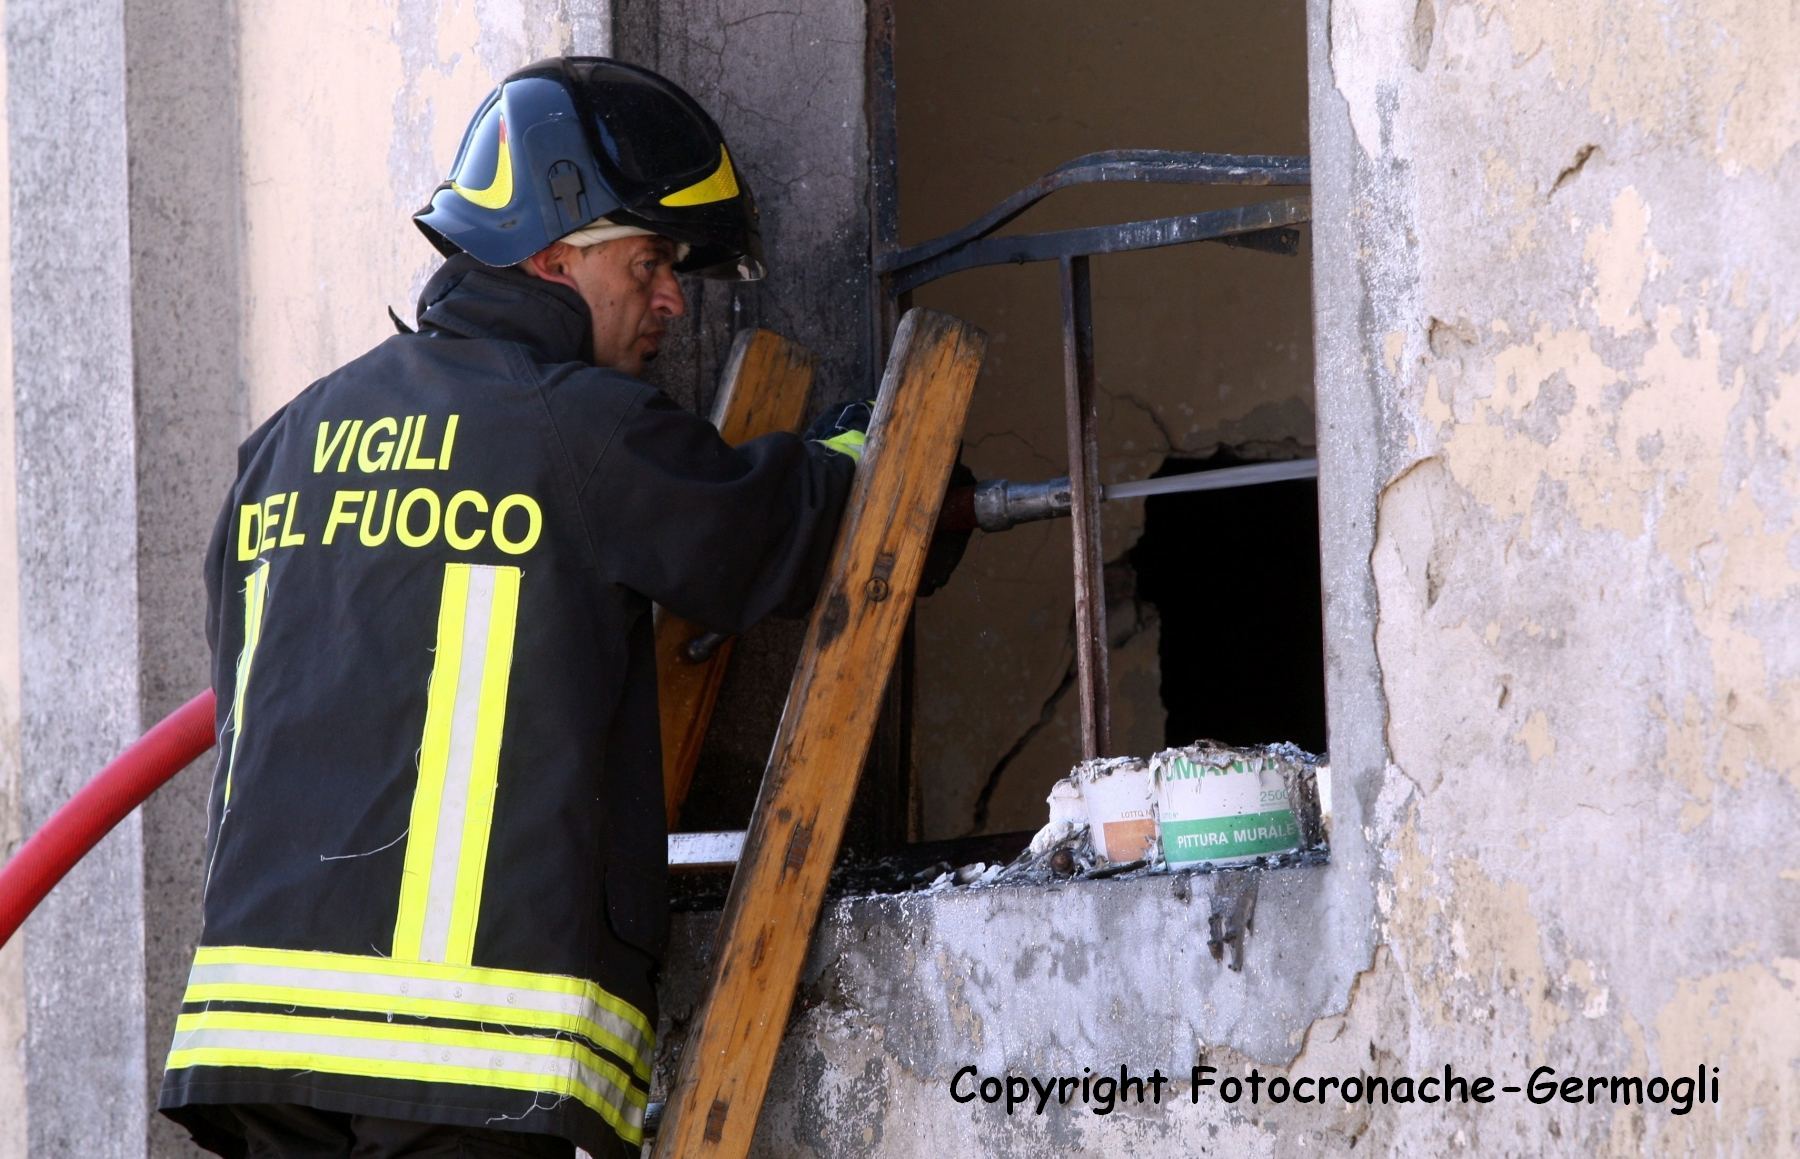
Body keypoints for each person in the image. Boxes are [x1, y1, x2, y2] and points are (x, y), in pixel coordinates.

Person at [158, 57, 861, 1159]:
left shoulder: (286, 445)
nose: (672, 300)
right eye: (651, 261)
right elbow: (758, 532)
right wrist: (867, 458)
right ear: (552, 256)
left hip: (257, 1043)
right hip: (450, 1048)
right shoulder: (575, 427)